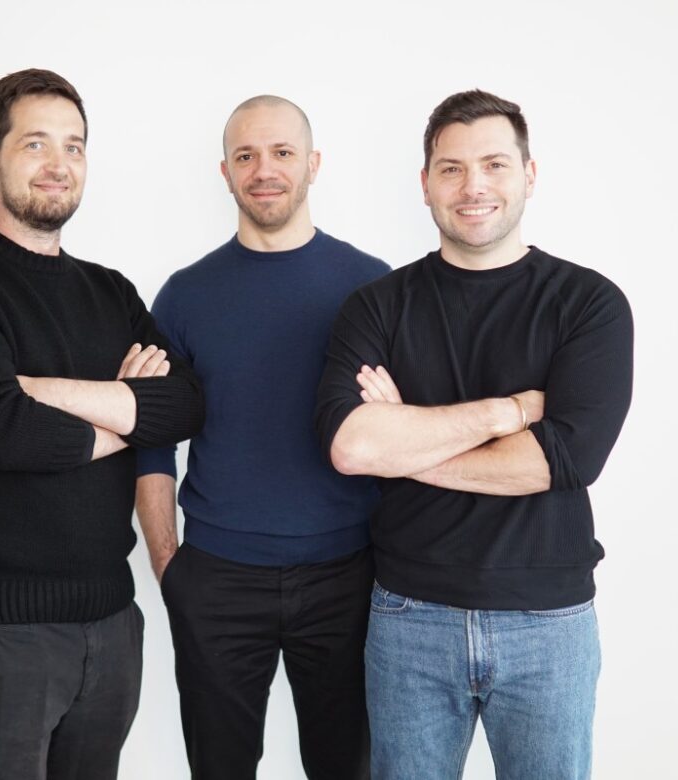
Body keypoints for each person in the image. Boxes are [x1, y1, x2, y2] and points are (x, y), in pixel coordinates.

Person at [315, 89, 633, 779]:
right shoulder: (377, 306)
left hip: (548, 621)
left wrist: (405, 442)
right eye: (452, 168)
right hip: (409, 616)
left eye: (494, 164)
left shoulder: (589, 304)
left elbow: (563, 460)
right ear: (425, 183)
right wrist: (506, 413)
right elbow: (352, 446)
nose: (473, 186)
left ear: (529, 174)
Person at [0, 68, 204, 780]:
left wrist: (41, 391)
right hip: (2, 630)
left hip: (112, 621)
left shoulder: (111, 291)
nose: (58, 163)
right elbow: (1, 430)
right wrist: (127, 413)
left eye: (74, 146)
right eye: (35, 143)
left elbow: (186, 405)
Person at [135, 95, 389, 779]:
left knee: (347, 768)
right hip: (217, 578)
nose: (264, 170)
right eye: (245, 155)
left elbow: (404, 430)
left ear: (313, 163)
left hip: (348, 575)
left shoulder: (372, 286)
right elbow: (152, 441)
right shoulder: (184, 295)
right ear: (225, 172)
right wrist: (168, 564)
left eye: (281, 152)